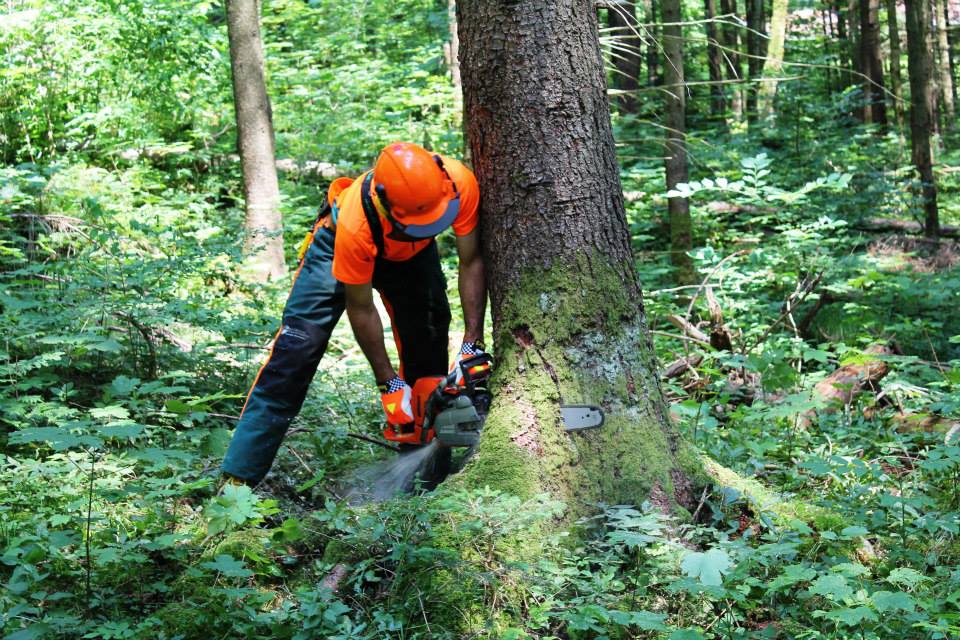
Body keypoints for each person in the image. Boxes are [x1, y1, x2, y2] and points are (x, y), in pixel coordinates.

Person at [221, 142, 487, 485]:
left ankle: (423, 479)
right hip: (335, 247)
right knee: (295, 353)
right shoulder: (356, 223)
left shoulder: (458, 183)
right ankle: (238, 480)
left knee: (428, 346)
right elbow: (360, 307)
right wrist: (388, 382)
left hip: (411, 253)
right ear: (385, 204)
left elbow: (471, 261)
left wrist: (472, 342)